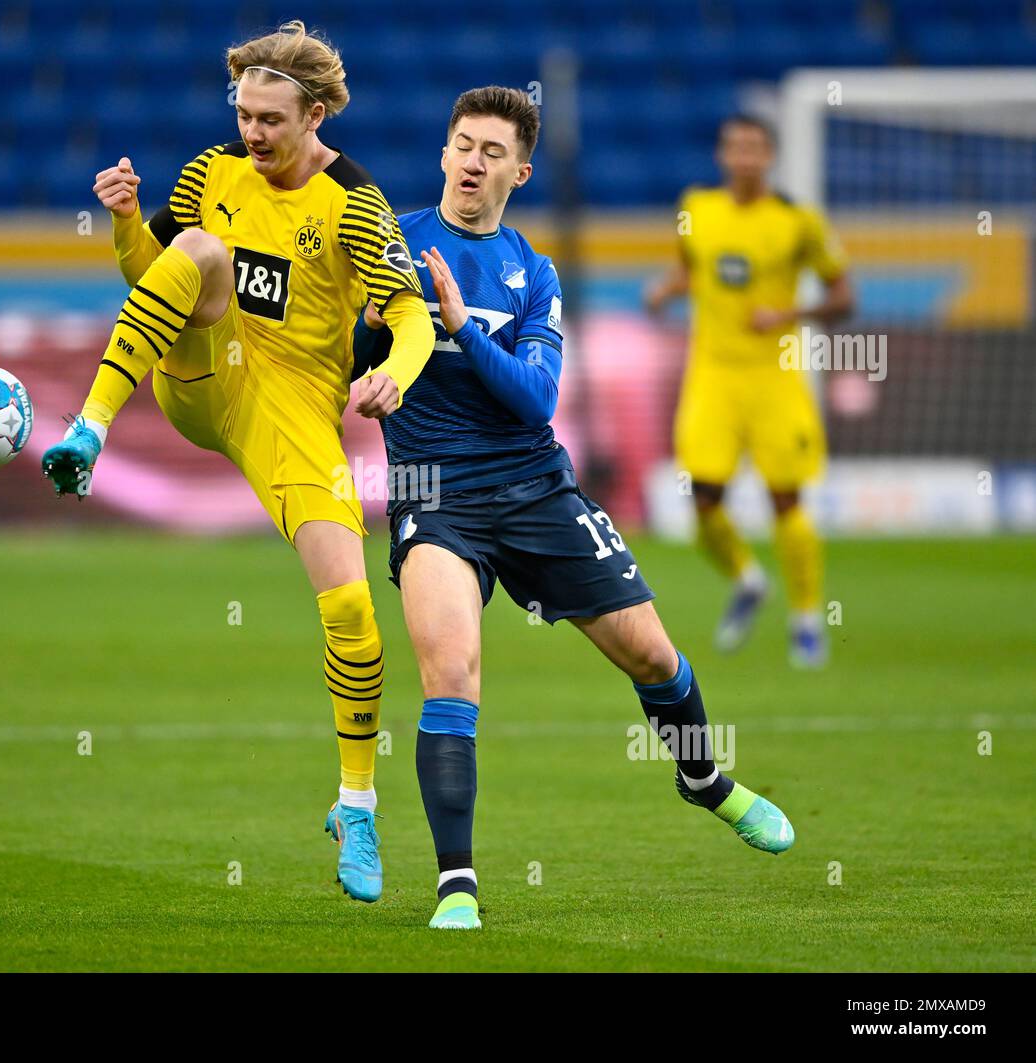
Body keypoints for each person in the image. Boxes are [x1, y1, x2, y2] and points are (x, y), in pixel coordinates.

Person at [355, 88, 794, 931]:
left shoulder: (531, 271)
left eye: (492, 151)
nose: (473, 162)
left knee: (653, 657)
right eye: (462, 144)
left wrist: (462, 327)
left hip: (534, 485)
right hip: (431, 494)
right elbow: (352, 353)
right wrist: (373, 343)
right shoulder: (391, 244)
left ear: (519, 170)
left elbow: (537, 397)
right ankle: (457, 886)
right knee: (452, 675)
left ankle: (704, 779)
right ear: (443, 153)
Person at [44, 21, 435, 903]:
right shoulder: (212, 169)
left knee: (353, 611)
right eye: (245, 115)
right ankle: (91, 431)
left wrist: (396, 379)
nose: (252, 134)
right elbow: (162, 276)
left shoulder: (356, 205)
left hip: (292, 408)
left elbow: (409, 318)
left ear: (318, 113)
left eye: (270, 120)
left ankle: (357, 804)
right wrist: (120, 229)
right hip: (200, 373)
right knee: (201, 249)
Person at [645, 116, 854, 667]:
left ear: (771, 156)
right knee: (703, 501)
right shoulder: (697, 209)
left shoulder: (797, 222)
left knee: (787, 499)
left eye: (755, 148)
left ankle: (807, 620)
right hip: (711, 375)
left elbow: (843, 296)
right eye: (735, 146)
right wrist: (667, 289)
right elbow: (694, 268)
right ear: (721, 154)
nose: (745, 157)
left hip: (775, 378)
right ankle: (748, 578)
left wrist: (790, 312)